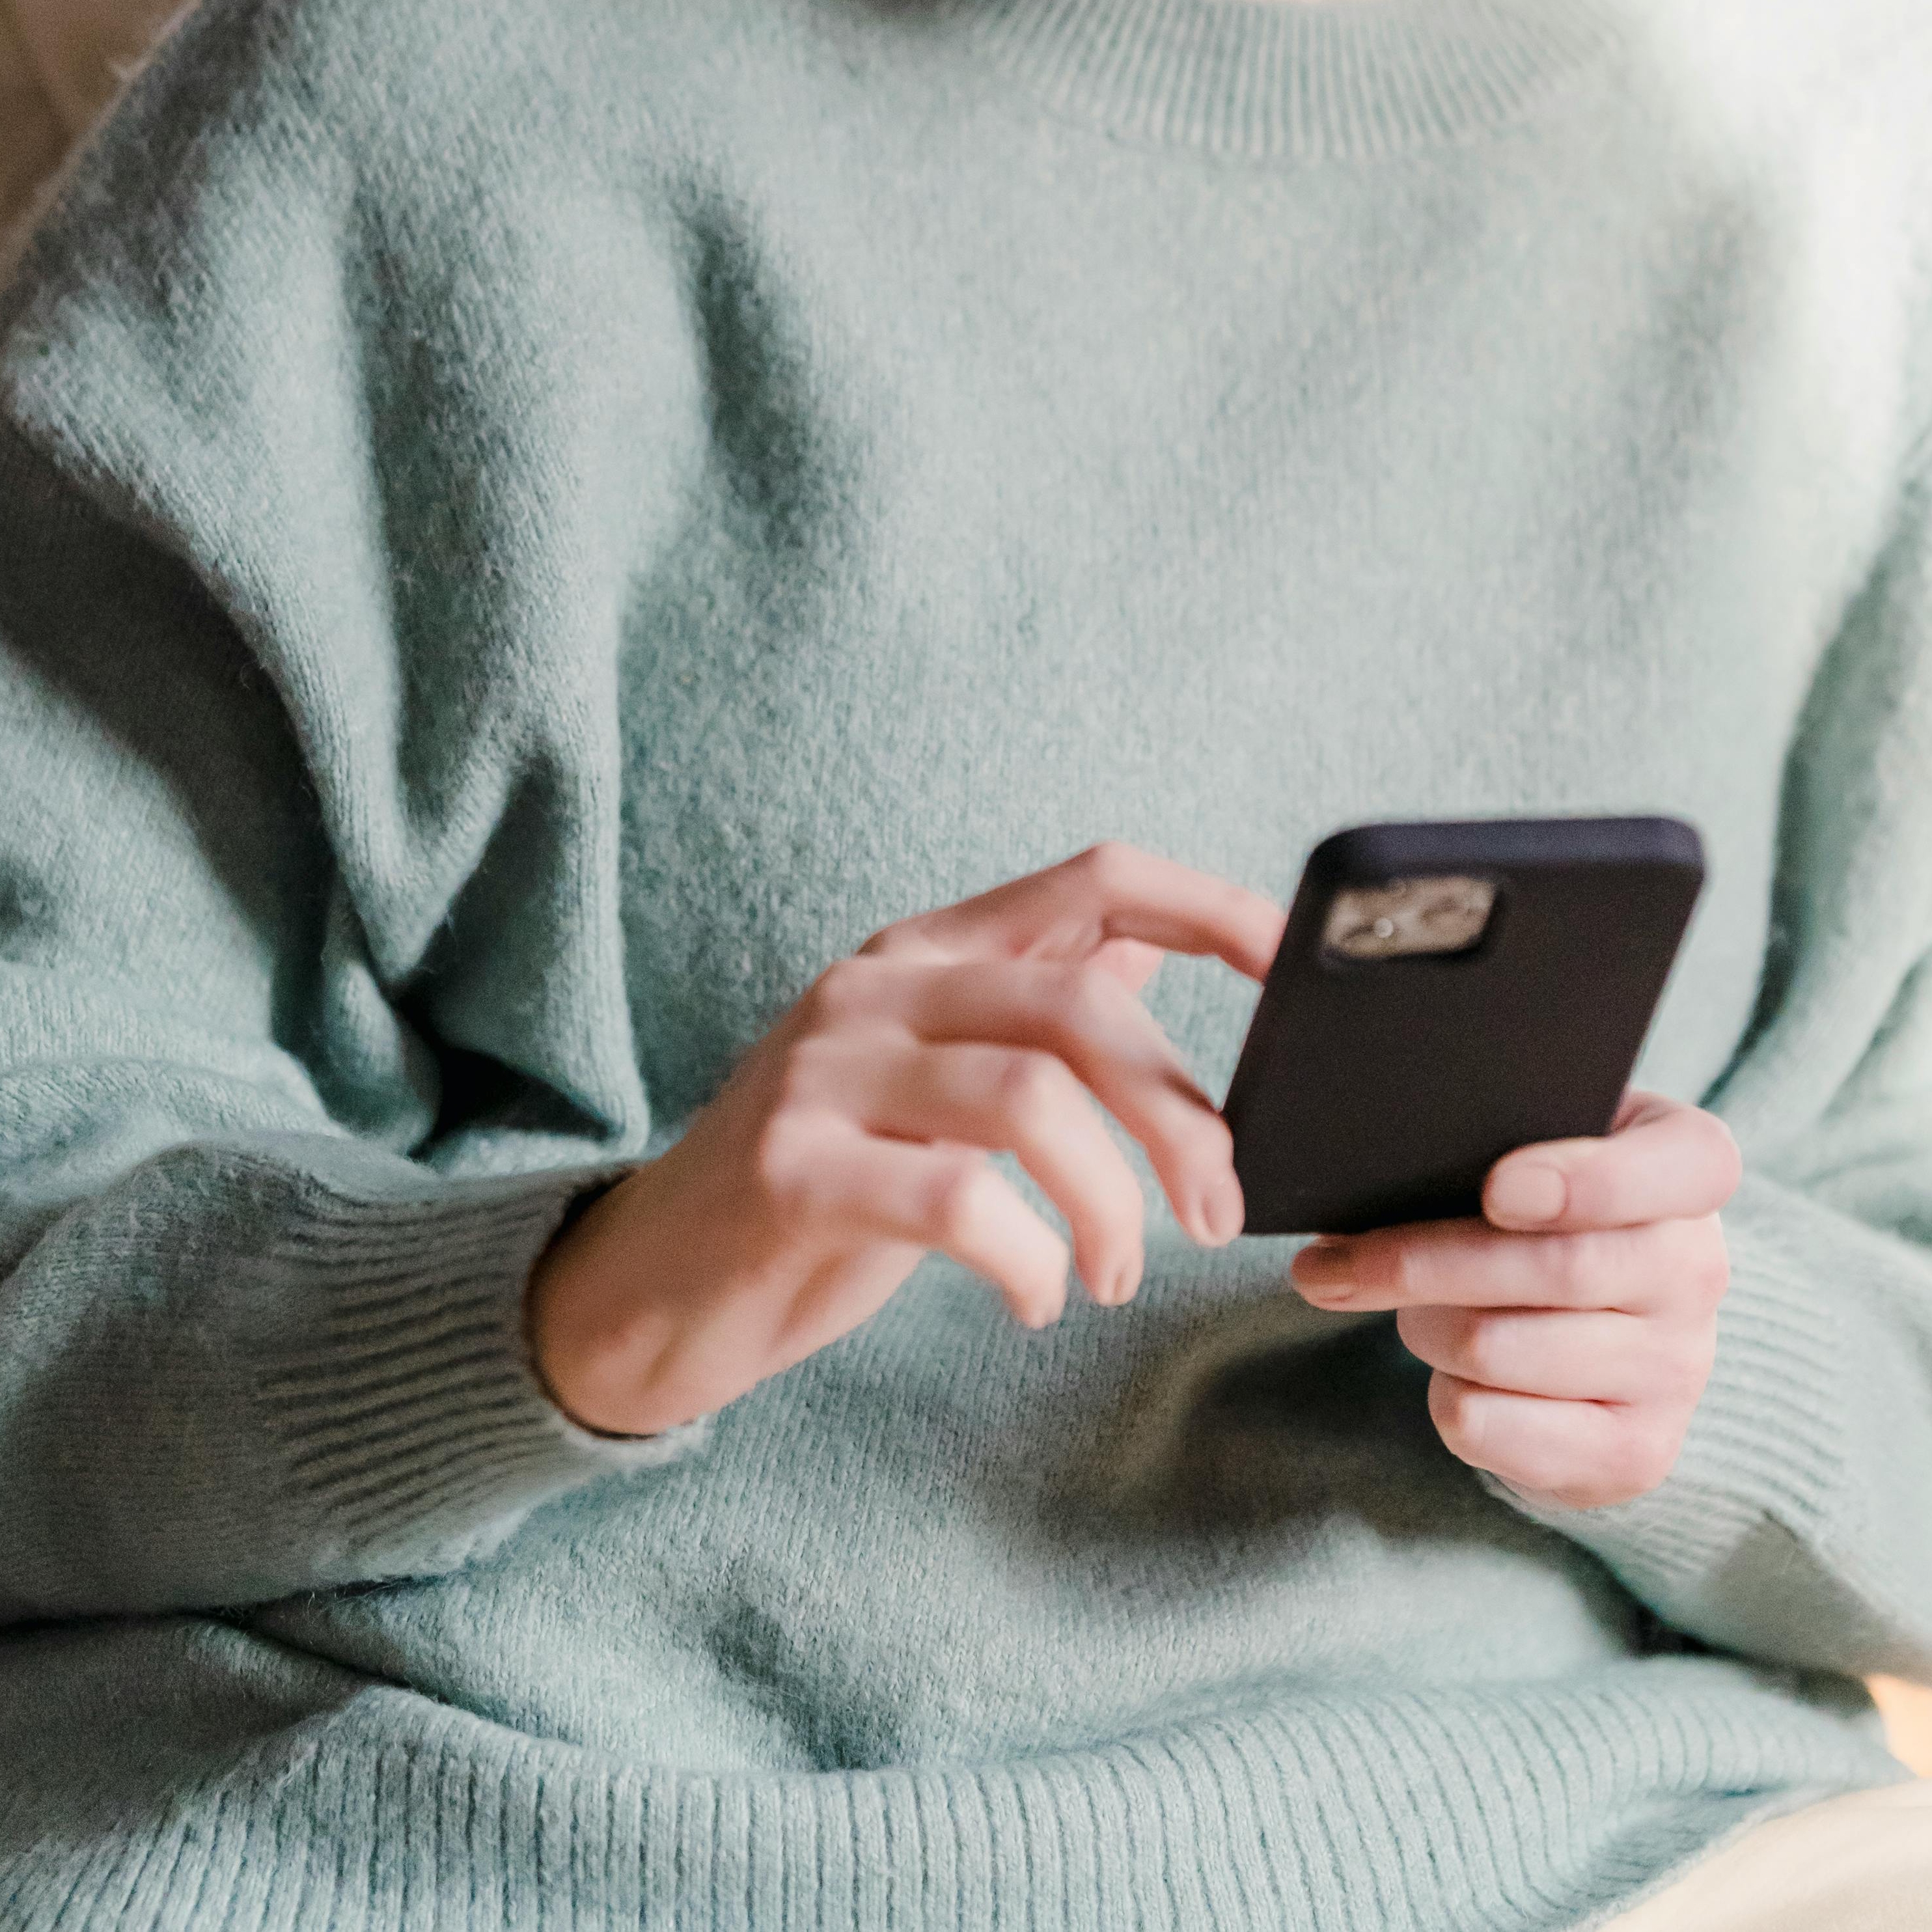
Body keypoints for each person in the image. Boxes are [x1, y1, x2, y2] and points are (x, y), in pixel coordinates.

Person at [1, 0, 1929, 1925]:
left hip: (1610, 1849)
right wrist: (577, 1309)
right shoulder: (415, 87)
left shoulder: (1853, 204)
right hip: (454, 1819)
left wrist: (1709, 1369)